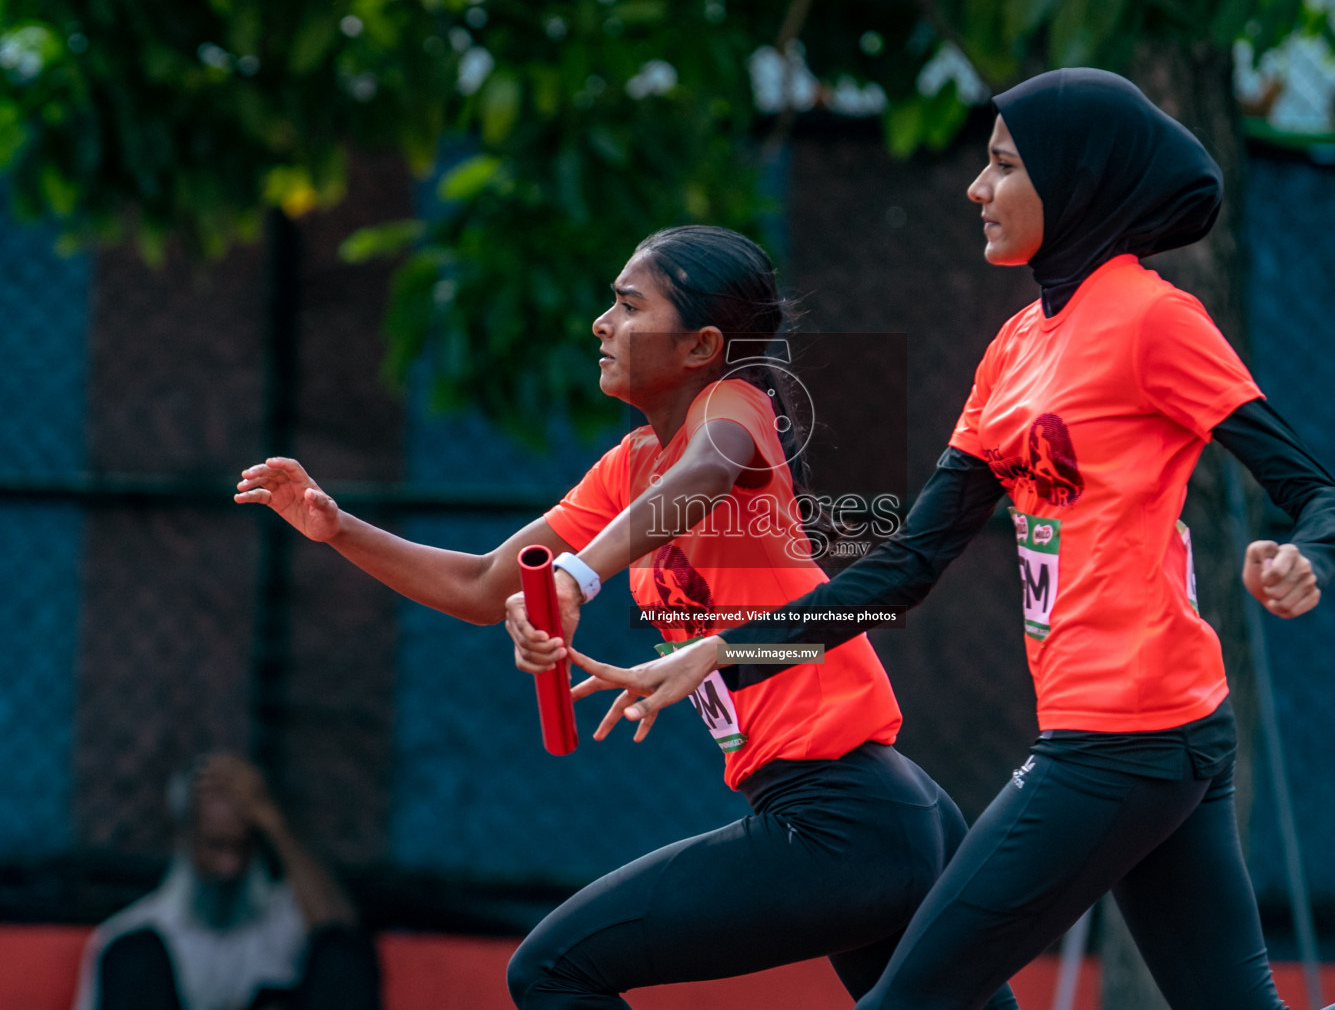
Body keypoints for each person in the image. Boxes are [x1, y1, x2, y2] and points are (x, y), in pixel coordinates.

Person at [559, 71, 1335, 1010]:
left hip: (1127, 732)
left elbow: (1319, 495)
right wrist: (724, 650)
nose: (978, 188)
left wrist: (1304, 556)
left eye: (1005, 165)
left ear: (1074, 178)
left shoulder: (1156, 318)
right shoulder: (1014, 346)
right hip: (1148, 737)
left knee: (909, 998)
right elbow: (906, 568)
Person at [236, 225, 1017, 1010]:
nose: (600, 324)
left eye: (627, 305)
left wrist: (578, 575)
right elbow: (479, 587)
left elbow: (705, 474)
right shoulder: (632, 465)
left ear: (700, 345)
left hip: (845, 819)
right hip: (872, 816)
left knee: (551, 971)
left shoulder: (734, 406)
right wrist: (337, 530)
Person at [73, 754, 378, 1010]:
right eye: (215, 846)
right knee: (133, 958)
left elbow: (343, 935)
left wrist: (273, 821)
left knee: (340, 954)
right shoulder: (128, 934)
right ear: (185, 839)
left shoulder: (288, 919)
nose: (230, 866)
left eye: (242, 847)